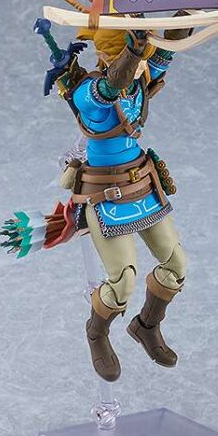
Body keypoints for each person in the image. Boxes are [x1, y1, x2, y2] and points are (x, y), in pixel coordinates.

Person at [63, 21, 191, 382]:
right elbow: (110, 87)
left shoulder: (138, 80)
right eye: (131, 55)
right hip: (106, 195)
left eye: (140, 55)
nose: (140, 64)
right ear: (108, 55)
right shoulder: (88, 92)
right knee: (123, 281)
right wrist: (132, 52)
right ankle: (96, 333)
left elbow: (167, 52)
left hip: (143, 185)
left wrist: (190, 16)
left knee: (176, 264)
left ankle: (146, 325)